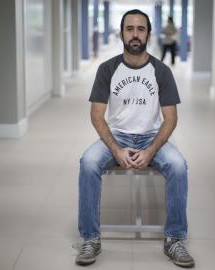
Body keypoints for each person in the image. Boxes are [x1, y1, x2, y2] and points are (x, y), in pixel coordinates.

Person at [76, 9, 195, 268]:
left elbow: (171, 119)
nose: (135, 34)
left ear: (149, 34)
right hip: (117, 135)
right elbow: (97, 116)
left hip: (151, 135)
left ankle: (175, 238)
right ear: (121, 34)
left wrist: (151, 151)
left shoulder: (161, 71)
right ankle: (90, 238)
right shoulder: (107, 69)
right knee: (88, 162)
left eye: (141, 29)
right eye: (129, 29)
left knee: (178, 165)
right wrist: (116, 149)